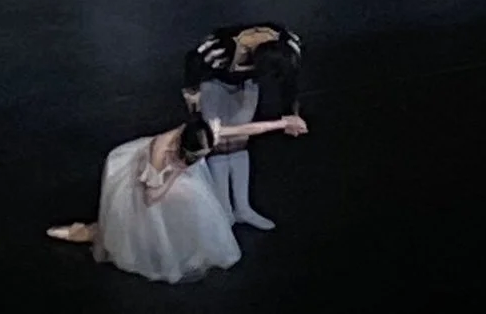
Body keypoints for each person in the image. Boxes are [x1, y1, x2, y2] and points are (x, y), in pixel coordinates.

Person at [47, 111, 308, 284]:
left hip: (177, 171)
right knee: (144, 216)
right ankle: (94, 233)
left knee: (195, 206)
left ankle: (187, 246)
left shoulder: (202, 132)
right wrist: (176, 173)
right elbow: (151, 197)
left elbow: (244, 129)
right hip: (155, 180)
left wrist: (283, 123)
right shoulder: (160, 151)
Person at [182, 24, 303, 230]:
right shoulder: (222, 48)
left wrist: (291, 113)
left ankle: (243, 208)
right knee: (218, 141)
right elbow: (193, 63)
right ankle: (224, 210)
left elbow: (289, 81)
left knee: (239, 141)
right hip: (215, 82)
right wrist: (194, 103)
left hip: (247, 84)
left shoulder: (289, 47)